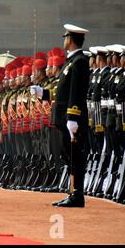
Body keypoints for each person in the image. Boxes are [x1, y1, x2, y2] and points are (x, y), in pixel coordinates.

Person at [31, 24, 90, 207]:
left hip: (70, 118)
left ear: (70, 39)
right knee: (68, 156)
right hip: (63, 117)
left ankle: (77, 194)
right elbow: (61, 93)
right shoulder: (70, 62)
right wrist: (43, 94)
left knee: (74, 157)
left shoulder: (79, 61)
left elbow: (76, 92)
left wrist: (73, 117)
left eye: (65, 36)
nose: (63, 39)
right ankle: (72, 192)